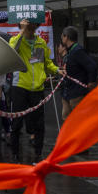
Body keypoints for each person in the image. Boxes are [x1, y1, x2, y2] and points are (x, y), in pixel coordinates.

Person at [7, 18, 59, 163]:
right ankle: (15, 155)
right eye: (27, 25)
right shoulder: (15, 40)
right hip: (20, 87)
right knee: (16, 124)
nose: (30, 27)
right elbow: (11, 53)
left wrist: (57, 70)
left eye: (32, 25)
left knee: (39, 124)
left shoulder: (41, 43)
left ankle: (38, 154)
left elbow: (46, 64)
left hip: (37, 89)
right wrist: (22, 32)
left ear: (36, 26)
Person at [59, 26, 97, 120]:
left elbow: (92, 66)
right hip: (67, 91)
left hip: (77, 93)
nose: (61, 38)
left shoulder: (78, 50)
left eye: (62, 36)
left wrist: (91, 81)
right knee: (66, 118)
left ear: (66, 37)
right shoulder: (70, 51)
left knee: (79, 120)